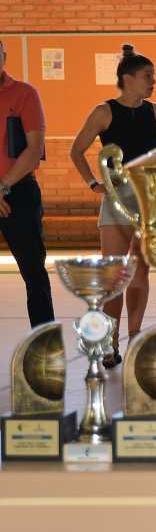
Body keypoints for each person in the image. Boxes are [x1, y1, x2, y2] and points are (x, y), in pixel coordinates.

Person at [69, 45, 156, 367]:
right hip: (116, 199)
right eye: (147, 76)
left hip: (148, 198)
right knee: (114, 273)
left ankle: (136, 335)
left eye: (154, 76)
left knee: (140, 269)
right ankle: (110, 341)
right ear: (128, 79)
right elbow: (77, 151)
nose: (153, 82)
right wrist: (93, 183)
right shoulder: (104, 111)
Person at [0, 39, 54, 329]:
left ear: (4, 57)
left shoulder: (24, 94)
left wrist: (2, 186)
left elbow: (34, 148)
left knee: (34, 274)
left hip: (18, 193)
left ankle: (44, 345)